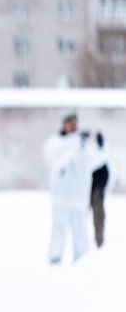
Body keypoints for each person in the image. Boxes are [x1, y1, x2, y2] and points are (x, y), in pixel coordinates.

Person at [43, 112, 106, 264]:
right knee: (59, 230)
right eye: (70, 123)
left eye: (75, 123)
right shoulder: (56, 142)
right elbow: (57, 161)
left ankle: (81, 260)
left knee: (80, 232)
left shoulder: (83, 144)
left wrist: (101, 147)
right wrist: (75, 143)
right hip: (61, 197)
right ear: (64, 124)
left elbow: (95, 160)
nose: (74, 126)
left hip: (79, 197)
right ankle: (54, 259)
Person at [90, 134, 110, 248]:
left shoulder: (101, 156)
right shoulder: (91, 154)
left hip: (96, 190)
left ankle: (99, 240)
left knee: (98, 214)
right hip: (87, 189)